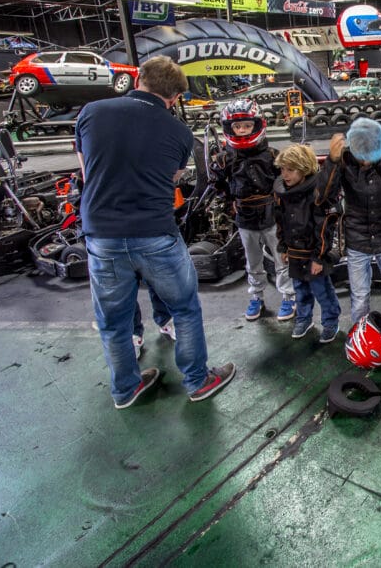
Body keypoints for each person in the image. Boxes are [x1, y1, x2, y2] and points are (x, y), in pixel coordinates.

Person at [76, 55, 234, 409]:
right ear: (175, 97)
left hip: (102, 234)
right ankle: (197, 381)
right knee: (185, 309)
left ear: (138, 81)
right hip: (155, 233)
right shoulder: (179, 133)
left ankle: (125, 389)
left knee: (113, 322)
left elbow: (87, 174)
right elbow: (172, 180)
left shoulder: (92, 112)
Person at [317, 118, 381, 354]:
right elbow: (323, 197)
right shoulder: (343, 162)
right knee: (360, 295)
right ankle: (361, 333)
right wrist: (331, 162)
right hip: (356, 238)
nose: (364, 159)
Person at [212, 99, 296, 322]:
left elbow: (286, 182)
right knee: (253, 262)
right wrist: (228, 197)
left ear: (257, 125)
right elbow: (219, 186)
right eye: (237, 127)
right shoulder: (226, 158)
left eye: (247, 126)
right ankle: (256, 297)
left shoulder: (271, 155)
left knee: (281, 259)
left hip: (271, 213)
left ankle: (288, 296)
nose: (241, 131)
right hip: (244, 216)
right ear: (229, 129)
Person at [274, 144, 341, 342]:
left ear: (304, 169)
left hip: (313, 255)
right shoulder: (282, 195)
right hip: (295, 254)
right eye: (282, 169)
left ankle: (330, 321)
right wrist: (283, 248)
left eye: (290, 170)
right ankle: (304, 319)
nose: (285, 174)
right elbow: (281, 223)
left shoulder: (317, 194)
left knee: (323, 292)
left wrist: (319, 258)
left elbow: (323, 229)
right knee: (300, 291)